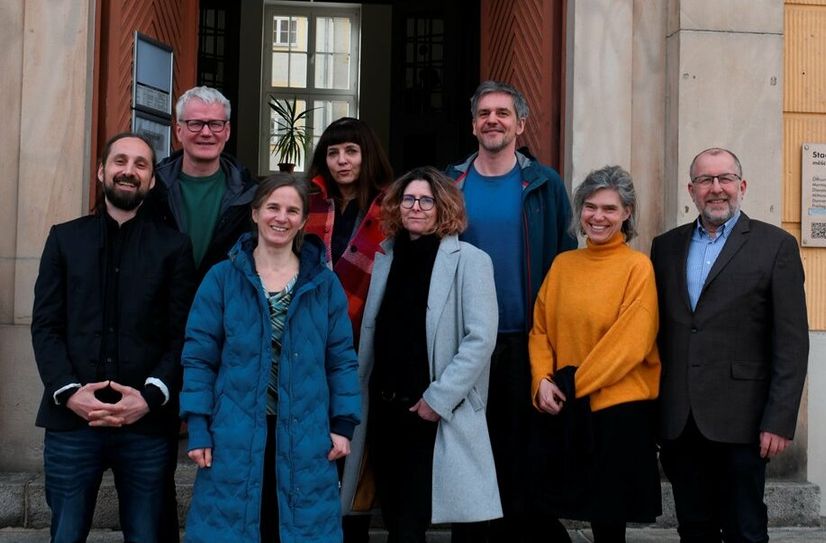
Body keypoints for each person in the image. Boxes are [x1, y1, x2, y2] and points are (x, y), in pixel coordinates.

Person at [31, 132, 196, 543]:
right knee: (65, 535)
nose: (129, 171)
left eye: (141, 164)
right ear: (103, 171)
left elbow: (183, 333)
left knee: (147, 535)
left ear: (152, 181)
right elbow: (45, 326)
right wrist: (69, 392)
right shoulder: (64, 238)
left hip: (146, 423)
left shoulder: (174, 247)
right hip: (71, 422)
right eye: (120, 161)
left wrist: (150, 396)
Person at [180, 174, 361, 543]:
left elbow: (341, 359)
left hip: (306, 435)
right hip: (235, 434)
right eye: (273, 207)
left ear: (302, 220)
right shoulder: (222, 279)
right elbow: (199, 358)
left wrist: (343, 425)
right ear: (255, 212)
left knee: (297, 529)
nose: (282, 217)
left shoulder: (323, 284)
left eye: (293, 210)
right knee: (236, 528)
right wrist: (198, 426)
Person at [651, 147, 809, 543]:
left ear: (742, 185)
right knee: (694, 528)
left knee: (746, 529)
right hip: (681, 420)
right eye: (705, 180)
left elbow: (791, 342)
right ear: (691, 189)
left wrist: (779, 419)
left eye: (724, 179)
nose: (716, 188)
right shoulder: (665, 247)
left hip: (744, 421)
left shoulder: (775, 246)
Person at [445, 80, 577, 541]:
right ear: (474, 124)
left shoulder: (544, 183)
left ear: (520, 124)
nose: (493, 120)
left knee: (526, 453)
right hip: (465, 343)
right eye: (484, 113)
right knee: (470, 448)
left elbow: (565, 259)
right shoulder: (451, 183)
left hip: (527, 339)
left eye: (503, 113)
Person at [341, 166, 502, 543]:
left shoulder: (470, 261)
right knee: (399, 521)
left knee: (435, 516)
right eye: (408, 199)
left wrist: (437, 399)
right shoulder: (385, 258)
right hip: (384, 409)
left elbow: (480, 340)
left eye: (426, 200)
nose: (415, 207)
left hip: (434, 412)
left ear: (443, 206)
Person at [529, 165, 662, 542]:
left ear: (626, 214)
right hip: (560, 403)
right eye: (590, 207)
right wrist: (541, 380)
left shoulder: (638, 267)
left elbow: (629, 345)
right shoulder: (563, 264)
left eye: (609, 209)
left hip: (614, 411)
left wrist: (571, 386)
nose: (598, 217)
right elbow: (540, 330)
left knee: (607, 523)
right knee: (536, 505)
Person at [304, 116, 393, 542]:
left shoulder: (391, 208)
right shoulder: (307, 202)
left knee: (357, 450)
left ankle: (353, 531)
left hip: (368, 343)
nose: (342, 160)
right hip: (311, 344)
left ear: (366, 155)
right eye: (334, 152)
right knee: (315, 447)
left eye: (351, 151)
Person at [148, 85, 257, 282]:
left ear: (227, 131)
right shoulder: (152, 188)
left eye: (215, 124)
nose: (206, 133)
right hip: (163, 306)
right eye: (195, 123)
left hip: (223, 306)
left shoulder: (250, 195)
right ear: (179, 131)